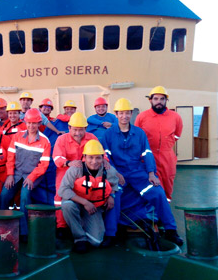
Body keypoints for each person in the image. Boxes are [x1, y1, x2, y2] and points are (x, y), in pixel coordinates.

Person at [101, 98, 183, 246]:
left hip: (138, 173)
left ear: (131, 114)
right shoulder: (108, 134)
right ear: (116, 114)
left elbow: (147, 153)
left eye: (127, 113)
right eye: (121, 113)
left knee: (158, 192)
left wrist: (151, 173)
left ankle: (171, 230)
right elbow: (107, 157)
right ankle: (112, 234)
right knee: (115, 195)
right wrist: (115, 173)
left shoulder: (139, 133)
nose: (124, 116)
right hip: (119, 173)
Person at [0, 108, 51, 240]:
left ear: (39, 124)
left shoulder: (45, 141)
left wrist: (32, 177)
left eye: (34, 123)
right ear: (25, 123)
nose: (31, 126)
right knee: (4, 195)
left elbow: (43, 165)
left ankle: (24, 232)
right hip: (17, 172)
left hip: (34, 174)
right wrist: (10, 174)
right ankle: (3, 227)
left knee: (24, 195)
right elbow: (10, 157)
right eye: (29, 123)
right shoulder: (17, 137)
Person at [59, 139, 119, 253]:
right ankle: (79, 238)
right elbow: (63, 190)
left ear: (102, 158)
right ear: (84, 157)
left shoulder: (109, 171)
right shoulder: (76, 169)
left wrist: (112, 196)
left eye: (98, 158)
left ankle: (81, 223)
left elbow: (114, 184)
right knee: (67, 205)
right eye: (90, 157)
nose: (94, 161)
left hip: (93, 208)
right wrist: (85, 202)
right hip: (77, 204)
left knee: (96, 241)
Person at [52, 112, 99, 235]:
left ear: (86, 129)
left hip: (86, 173)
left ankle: (87, 223)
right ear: (69, 128)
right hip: (65, 171)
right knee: (60, 196)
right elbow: (57, 158)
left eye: (81, 130)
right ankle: (61, 226)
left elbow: (100, 155)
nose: (78, 133)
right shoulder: (61, 139)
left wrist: (106, 162)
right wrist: (69, 163)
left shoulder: (92, 138)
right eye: (75, 130)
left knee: (91, 193)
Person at [135, 86, 183, 202]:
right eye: (156, 99)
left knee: (168, 182)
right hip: (148, 156)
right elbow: (137, 138)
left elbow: (177, 135)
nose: (159, 102)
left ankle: (165, 209)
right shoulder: (142, 117)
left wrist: (166, 145)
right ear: (150, 100)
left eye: (162, 99)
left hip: (168, 157)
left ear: (166, 100)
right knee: (151, 185)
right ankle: (154, 213)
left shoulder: (175, 117)